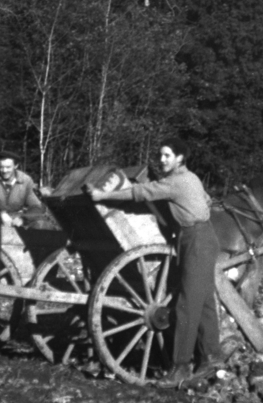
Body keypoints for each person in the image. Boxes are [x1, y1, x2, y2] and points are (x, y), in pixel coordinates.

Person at [86, 138, 224, 387]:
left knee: (185, 304)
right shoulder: (190, 178)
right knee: (203, 302)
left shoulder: (177, 182)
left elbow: (139, 193)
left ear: (180, 158)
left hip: (197, 240)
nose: (162, 160)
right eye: (160, 155)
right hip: (194, 237)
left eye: (167, 156)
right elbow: (206, 200)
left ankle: (180, 367)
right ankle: (212, 356)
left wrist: (102, 195)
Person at [0, 151, 44, 228]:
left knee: (41, 224)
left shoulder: (26, 180)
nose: (4, 170)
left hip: (17, 221)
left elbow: (36, 207)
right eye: (1, 167)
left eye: (8, 167)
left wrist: (23, 219)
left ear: (16, 166)